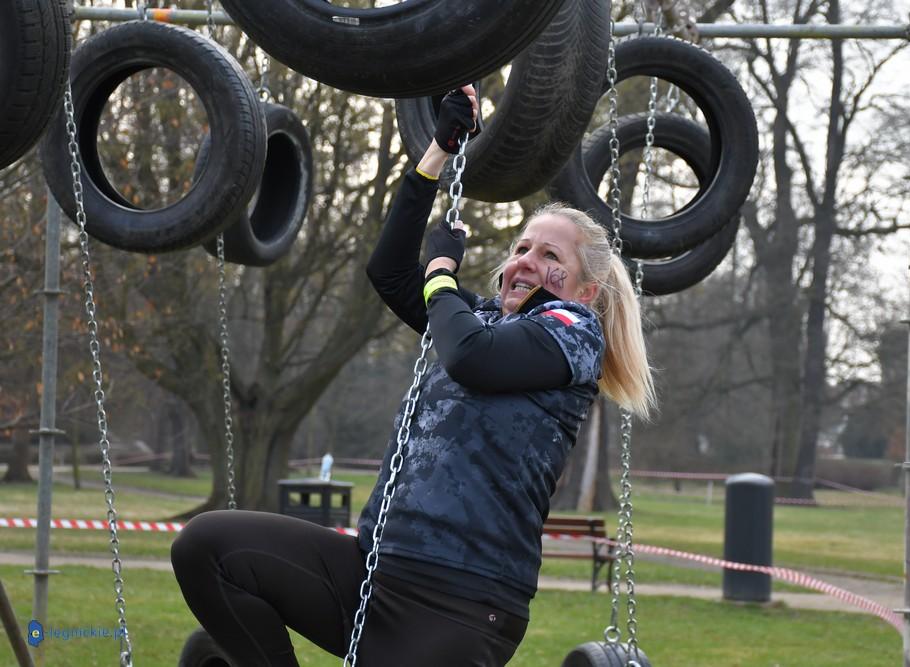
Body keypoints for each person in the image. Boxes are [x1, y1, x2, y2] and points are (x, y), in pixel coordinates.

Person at [170, 85, 655, 667]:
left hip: (460, 602)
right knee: (208, 548)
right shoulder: (472, 318)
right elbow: (392, 272)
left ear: (586, 289)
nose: (526, 261)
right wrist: (437, 154)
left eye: (552, 258)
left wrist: (444, 269)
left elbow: (472, 357)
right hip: (371, 570)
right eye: (522, 247)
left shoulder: (571, 335)